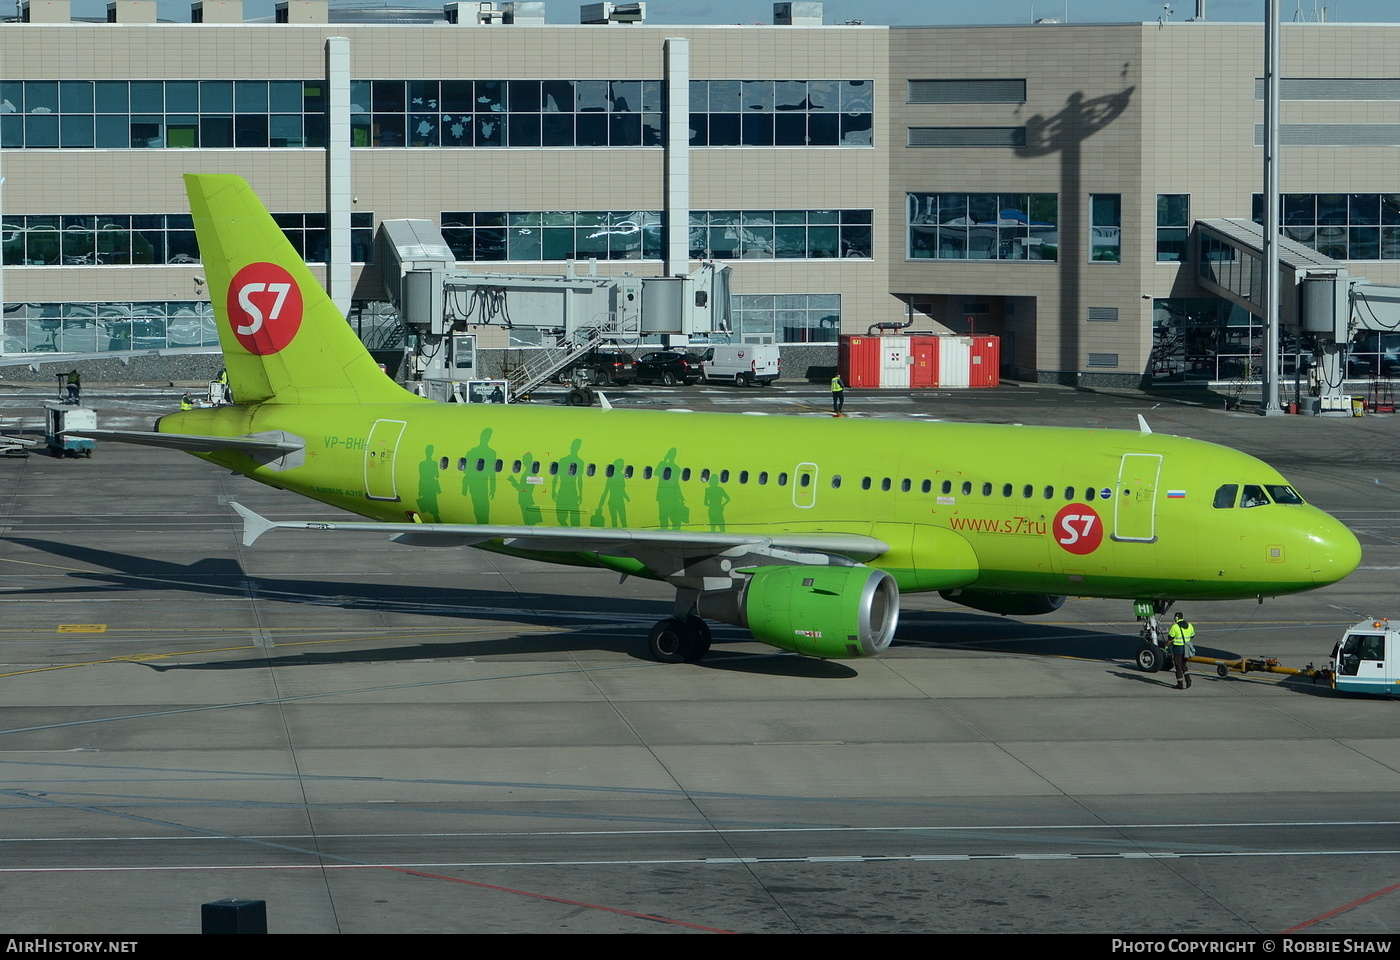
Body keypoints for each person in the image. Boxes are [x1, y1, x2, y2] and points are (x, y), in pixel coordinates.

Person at [1168, 611, 1196, 689]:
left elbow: (1170, 637)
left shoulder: (1175, 626)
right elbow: (1193, 635)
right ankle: (1188, 680)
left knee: (1178, 666)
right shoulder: (1189, 625)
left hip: (1178, 649)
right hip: (1186, 649)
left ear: (1176, 618)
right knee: (1184, 665)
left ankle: (1180, 684)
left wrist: (1166, 644)